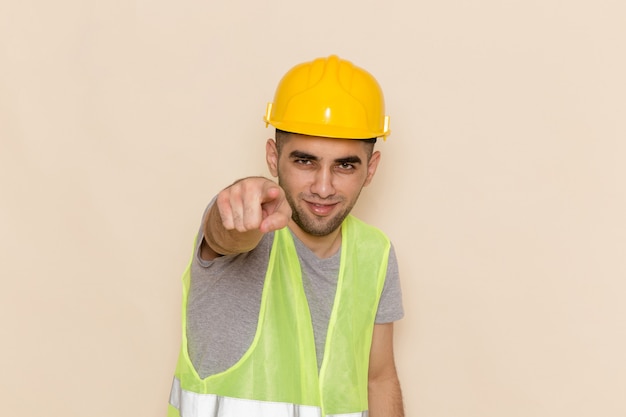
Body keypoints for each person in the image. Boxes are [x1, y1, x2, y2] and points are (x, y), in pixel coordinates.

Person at [168, 55, 405, 417]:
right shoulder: (246, 226)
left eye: (344, 165)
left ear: (370, 169)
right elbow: (226, 234)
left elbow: (379, 378)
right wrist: (238, 202)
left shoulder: (376, 253)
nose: (323, 187)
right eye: (305, 161)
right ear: (272, 157)